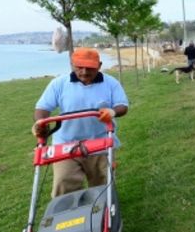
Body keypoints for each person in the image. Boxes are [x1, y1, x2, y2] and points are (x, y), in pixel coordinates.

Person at [33, 48, 129, 197]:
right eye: (79, 67)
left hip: (101, 144)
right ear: (72, 65)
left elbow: (122, 105)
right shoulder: (59, 84)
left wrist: (113, 112)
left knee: (103, 185)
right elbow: (43, 107)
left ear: (99, 65)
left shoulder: (111, 83)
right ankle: (65, 215)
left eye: (90, 68)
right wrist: (40, 123)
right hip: (66, 145)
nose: (84, 72)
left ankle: (103, 215)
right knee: (63, 183)